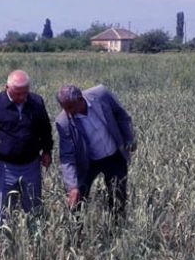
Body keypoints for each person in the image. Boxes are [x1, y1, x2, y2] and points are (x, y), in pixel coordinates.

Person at [0, 70, 53, 226]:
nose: (21, 98)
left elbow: (45, 129)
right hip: (4, 166)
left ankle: (34, 239)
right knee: (3, 209)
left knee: (33, 206)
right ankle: (2, 241)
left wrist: (47, 151)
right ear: (7, 87)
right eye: (17, 94)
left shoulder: (37, 102)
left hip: (31, 164)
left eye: (24, 93)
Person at [55, 84, 136, 216]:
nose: (68, 112)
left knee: (118, 198)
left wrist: (129, 138)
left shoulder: (101, 94)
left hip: (114, 155)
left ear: (80, 99)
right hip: (88, 163)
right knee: (77, 201)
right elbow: (67, 156)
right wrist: (72, 187)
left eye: (70, 107)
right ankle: (76, 233)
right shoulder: (63, 122)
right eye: (64, 108)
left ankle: (116, 231)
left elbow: (122, 115)